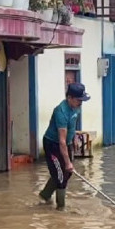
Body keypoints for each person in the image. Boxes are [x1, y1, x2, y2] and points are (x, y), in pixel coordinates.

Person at [38, 82, 90, 210]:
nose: (81, 103)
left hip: (66, 143)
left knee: (67, 173)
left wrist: (74, 139)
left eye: (82, 100)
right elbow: (61, 141)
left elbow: (72, 125)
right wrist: (67, 162)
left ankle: (45, 195)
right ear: (69, 98)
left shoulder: (76, 107)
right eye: (79, 100)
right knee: (61, 176)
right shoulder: (61, 112)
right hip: (53, 144)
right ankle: (61, 209)